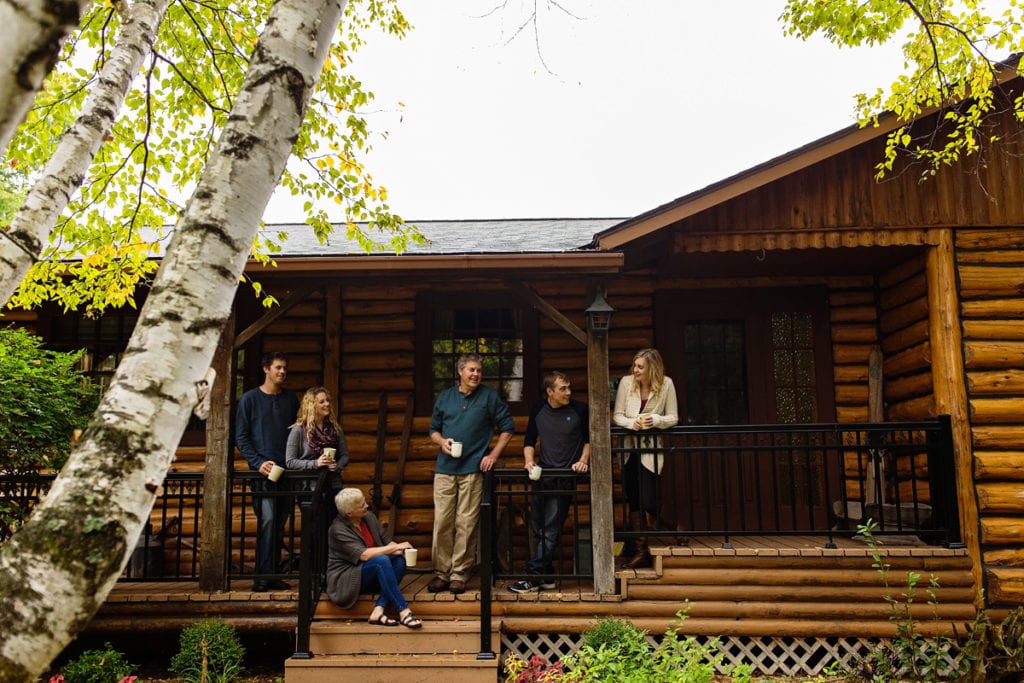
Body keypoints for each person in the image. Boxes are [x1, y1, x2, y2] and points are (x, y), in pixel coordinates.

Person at [427, 353, 514, 594]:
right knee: (443, 521)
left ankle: (459, 574)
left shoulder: (488, 397)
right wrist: (442, 442)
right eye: (471, 370)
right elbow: (433, 429)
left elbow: (507, 427)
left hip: (473, 469)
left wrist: (493, 455)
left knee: (466, 523)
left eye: (478, 370)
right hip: (445, 469)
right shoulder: (445, 397)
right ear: (460, 372)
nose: (476, 374)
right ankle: (441, 573)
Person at [508, 371, 590, 594]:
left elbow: (589, 440)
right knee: (537, 528)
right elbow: (529, 440)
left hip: (564, 479)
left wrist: (583, 461)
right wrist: (528, 461)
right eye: (563, 389)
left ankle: (533, 576)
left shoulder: (580, 410)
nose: (568, 392)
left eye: (569, 387)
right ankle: (547, 574)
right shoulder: (539, 408)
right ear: (550, 392)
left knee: (551, 529)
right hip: (541, 477)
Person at [236, 351, 300, 591]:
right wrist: (257, 462)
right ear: (266, 369)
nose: (282, 372)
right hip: (262, 472)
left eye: (284, 368)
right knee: (268, 520)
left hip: (287, 471)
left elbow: (297, 434)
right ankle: (261, 577)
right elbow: (241, 437)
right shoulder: (249, 400)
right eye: (278, 368)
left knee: (280, 522)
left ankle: (273, 575)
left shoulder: (290, 400)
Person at [612, 348, 679, 569]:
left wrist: (655, 420)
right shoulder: (625, 383)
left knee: (650, 500)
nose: (636, 369)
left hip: (650, 450)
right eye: (635, 365)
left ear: (652, 368)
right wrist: (632, 423)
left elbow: (673, 417)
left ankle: (672, 526)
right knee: (634, 500)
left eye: (640, 366)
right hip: (629, 449)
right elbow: (618, 416)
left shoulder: (667, 384)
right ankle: (642, 551)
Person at [326, 488, 422, 629]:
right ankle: (403, 610)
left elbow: (387, 542)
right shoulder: (338, 530)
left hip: (369, 573)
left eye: (364, 501)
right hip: (347, 579)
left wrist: (401, 550)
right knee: (381, 560)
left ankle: (379, 610)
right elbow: (364, 555)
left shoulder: (368, 517)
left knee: (399, 561)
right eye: (361, 505)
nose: (366, 506)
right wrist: (395, 548)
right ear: (349, 513)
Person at [286, 386, 347, 497]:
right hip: (309, 487)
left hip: (333, 485)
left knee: (333, 514)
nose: (327, 404)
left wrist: (337, 466)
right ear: (312, 405)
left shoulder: (336, 428)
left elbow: (344, 456)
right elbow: (290, 461)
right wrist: (316, 463)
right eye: (322, 402)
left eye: (328, 400)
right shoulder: (298, 430)